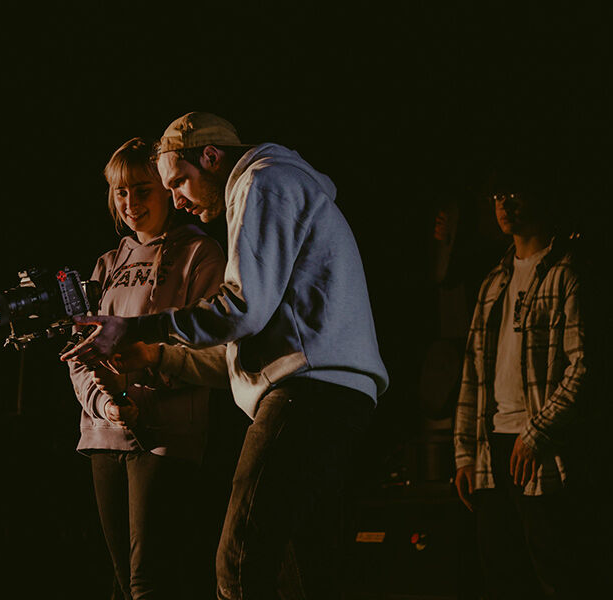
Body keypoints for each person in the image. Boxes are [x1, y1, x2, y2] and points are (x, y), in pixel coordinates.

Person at [63, 113, 389, 599]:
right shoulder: (277, 185)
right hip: (327, 392)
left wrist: (139, 327)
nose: (176, 199)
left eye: (177, 182)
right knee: (298, 570)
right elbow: (243, 337)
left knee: (238, 562)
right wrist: (154, 354)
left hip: (307, 392)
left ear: (211, 158)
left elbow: (241, 308)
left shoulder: (263, 181)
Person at [68, 137, 227, 600]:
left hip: (166, 436)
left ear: (165, 190)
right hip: (103, 433)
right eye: (121, 192)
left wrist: (141, 389)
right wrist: (106, 403)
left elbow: (214, 351)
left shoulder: (201, 255)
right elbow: (78, 353)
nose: (131, 203)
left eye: (142, 189)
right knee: (123, 583)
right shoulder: (106, 265)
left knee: (149, 583)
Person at [453, 176, 587, 598]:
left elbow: (583, 366)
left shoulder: (565, 274)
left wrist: (537, 432)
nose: (503, 205)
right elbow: (472, 372)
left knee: (554, 569)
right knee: (502, 572)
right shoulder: (494, 281)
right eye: (496, 196)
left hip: (541, 448)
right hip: (494, 444)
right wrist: (464, 453)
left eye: (513, 194)